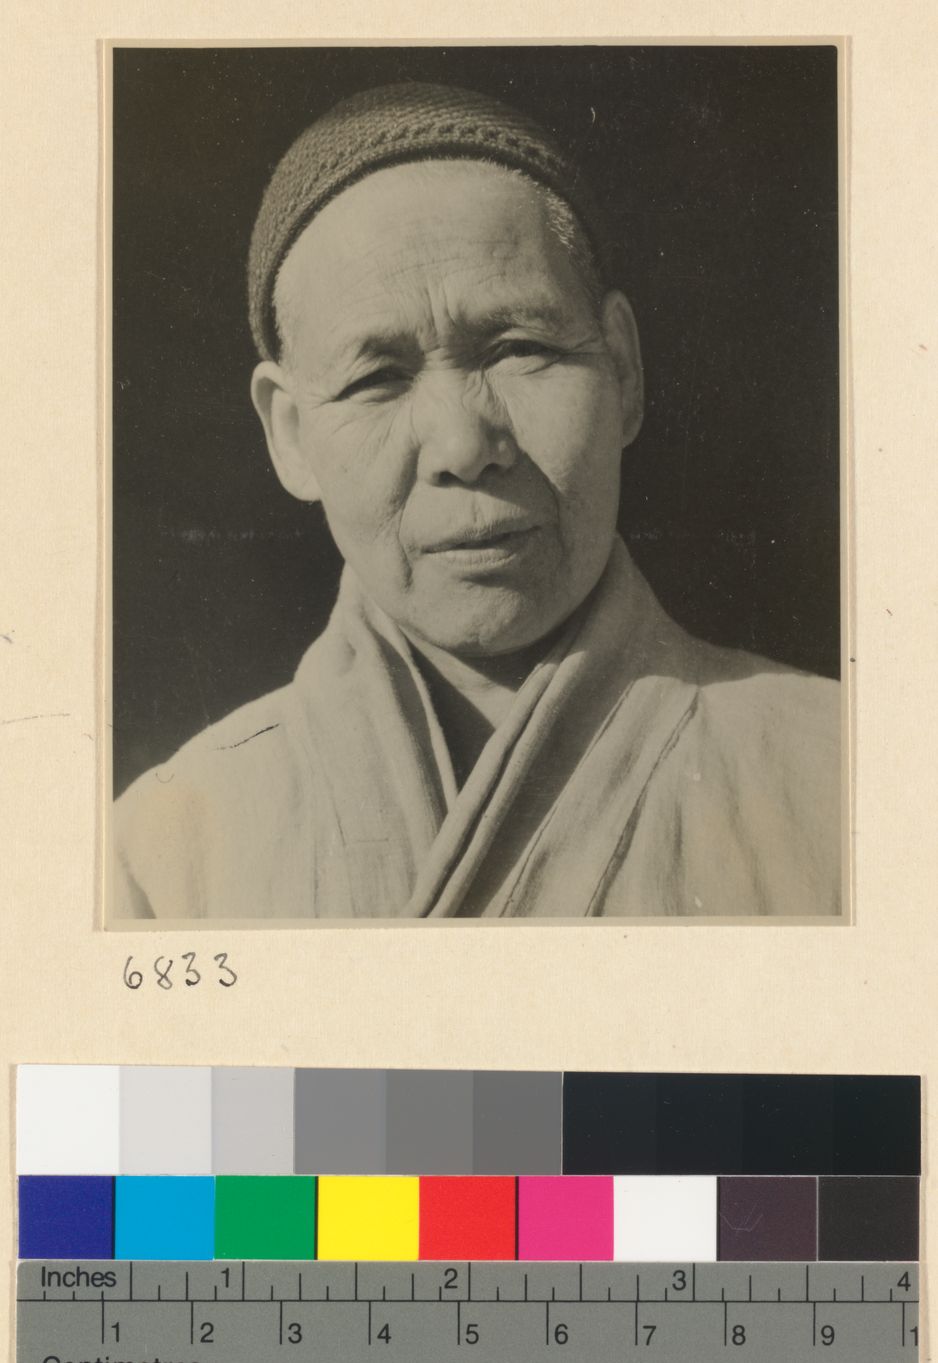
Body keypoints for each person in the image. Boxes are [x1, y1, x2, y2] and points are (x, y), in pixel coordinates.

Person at [113, 81, 840, 920]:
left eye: (519, 348)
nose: (463, 446)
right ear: (290, 433)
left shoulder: (848, 778)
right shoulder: (162, 854)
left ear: (623, 370)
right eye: (376, 379)